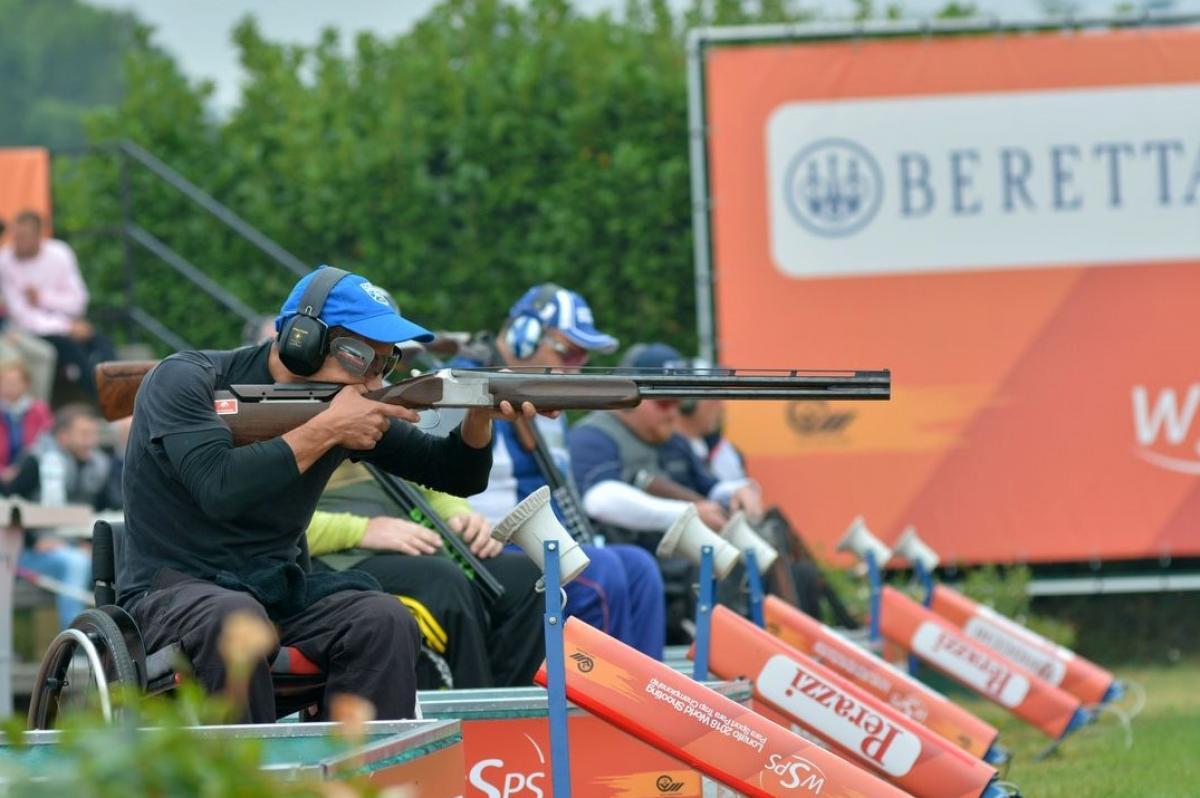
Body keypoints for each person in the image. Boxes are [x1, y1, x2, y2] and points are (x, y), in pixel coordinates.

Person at [116, 265, 536, 723]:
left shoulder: (343, 406)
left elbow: (455, 474)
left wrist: (480, 417)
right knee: (235, 619)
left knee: (384, 619)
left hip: (276, 593)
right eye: (361, 357)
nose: (374, 380)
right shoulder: (184, 379)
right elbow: (219, 488)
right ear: (301, 339)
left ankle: (364, 782)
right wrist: (328, 428)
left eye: (386, 361)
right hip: (172, 592)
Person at [440, 284, 667, 659]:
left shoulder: (546, 391)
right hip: (489, 543)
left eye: (583, 356)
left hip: (540, 543)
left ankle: (649, 699)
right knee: (603, 573)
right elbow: (435, 475)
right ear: (522, 336)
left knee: (640, 568)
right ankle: (605, 704)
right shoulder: (461, 385)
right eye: (568, 351)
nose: (576, 365)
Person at [568, 343, 763, 642]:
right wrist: (686, 513)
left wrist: (741, 490)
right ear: (627, 396)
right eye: (663, 401)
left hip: (679, 564)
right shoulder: (593, 434)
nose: (673, 412)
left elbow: (712, 488)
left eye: (678, 401)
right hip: (637, 559)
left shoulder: (673, 440)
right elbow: (600, 498)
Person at [307, 462, 544, 689]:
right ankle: (473, 716)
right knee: (443, 582)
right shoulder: (278, 425)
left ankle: (517, 715)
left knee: (526, 577)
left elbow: (427, 474)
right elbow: (273, 521)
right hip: (330, 557)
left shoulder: (375, 424)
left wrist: (458, 515)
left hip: (409, 534)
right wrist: (360, 530)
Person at [3, 404, 116, 628]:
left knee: (110, 561)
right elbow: (8, 506)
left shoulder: (101, 464)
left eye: (93, 434)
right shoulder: (35, 462)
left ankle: (117, 645)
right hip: (29, 555)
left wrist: (89, 543)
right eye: (83, 434)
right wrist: (34, 540)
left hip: (81, 548)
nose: (90, 441)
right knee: (75, 563)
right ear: (63, 436)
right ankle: (74, 646)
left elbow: (107, 511)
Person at [0, 210, 111, 400]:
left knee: (101, 343)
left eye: (23, 237)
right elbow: (22, 316)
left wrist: (43, 298)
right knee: (71, 350)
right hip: (32, 330)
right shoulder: (6, 262)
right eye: (15, 237)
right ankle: (105, 400)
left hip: (61, 324)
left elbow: (78, 301)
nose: (16, 243)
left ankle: (121, 394)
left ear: (38, 236)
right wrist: (67, 327)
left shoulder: (60, 253)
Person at [0, 358, 53, 480]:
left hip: (28, 472)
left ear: (26, 384)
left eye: (14, 382)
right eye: (5, 381)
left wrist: (21, 470)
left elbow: (46, 441)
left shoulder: (39, 409)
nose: (9, 386)